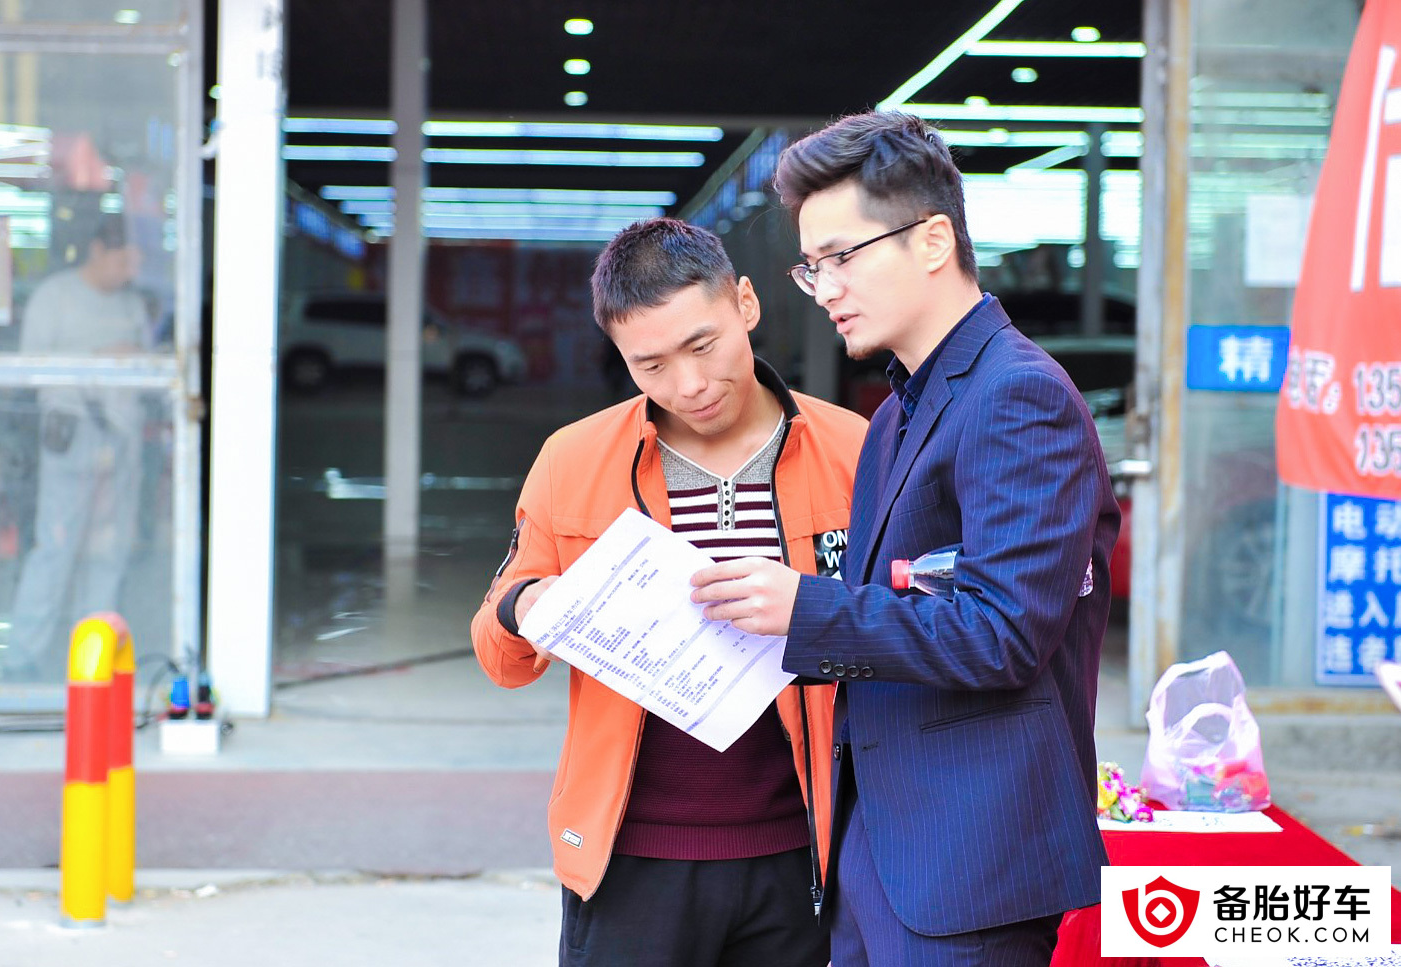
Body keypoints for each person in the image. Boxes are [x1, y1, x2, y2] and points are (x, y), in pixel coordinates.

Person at [690, 112, 1122, 965]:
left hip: (971, 860)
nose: (825, 288)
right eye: (811, 267)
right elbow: (890, 600)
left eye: (842, 257)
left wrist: (806, 608)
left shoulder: (1018, 395)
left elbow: (1003, 633)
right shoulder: (896, 414)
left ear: (932, 240)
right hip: (882, 846)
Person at [471, 218, 868, 967]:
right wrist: (524, 608)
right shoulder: (573, 459)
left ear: (745, 303)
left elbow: (904, 629)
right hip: (630, 862)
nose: (688, 385)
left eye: (702, 346)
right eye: (649, 365)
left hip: (807, 855)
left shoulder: (853, 450)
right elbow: (500, 656)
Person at [5, 215, 148, 681]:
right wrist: (97, 360)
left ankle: (93, 658)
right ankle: (22, 658)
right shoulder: (55, 297)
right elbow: (29, 368)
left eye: (134, 264)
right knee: (56, 547)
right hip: (69, 437)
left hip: (121, 440)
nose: (128, 272)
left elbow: (152, 367)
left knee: (110, 551)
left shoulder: (131, 303)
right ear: (97, 251)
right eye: (122, 261)